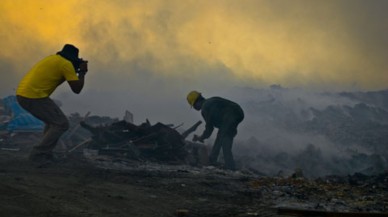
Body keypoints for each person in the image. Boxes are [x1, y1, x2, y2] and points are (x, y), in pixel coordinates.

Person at [16, 44, 88, 163]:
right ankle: (38, 154)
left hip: (24, 94)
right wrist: (82, 73)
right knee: (61, 124)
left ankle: (44, 153)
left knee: (53, 122)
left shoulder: (52, 58)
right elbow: (77, 89)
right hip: (33, 96)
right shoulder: (66, 64)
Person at [186, 91, 244, 170]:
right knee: (224, 136)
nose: (195, 108)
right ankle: (215, 160)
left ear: (197, 102)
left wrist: (201, 138)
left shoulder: (205, 108)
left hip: (230, 116)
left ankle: (229, 167)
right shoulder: (211, 100)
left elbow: (209, 129)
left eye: (194, 105)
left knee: (223, 139)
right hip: (238, 112)